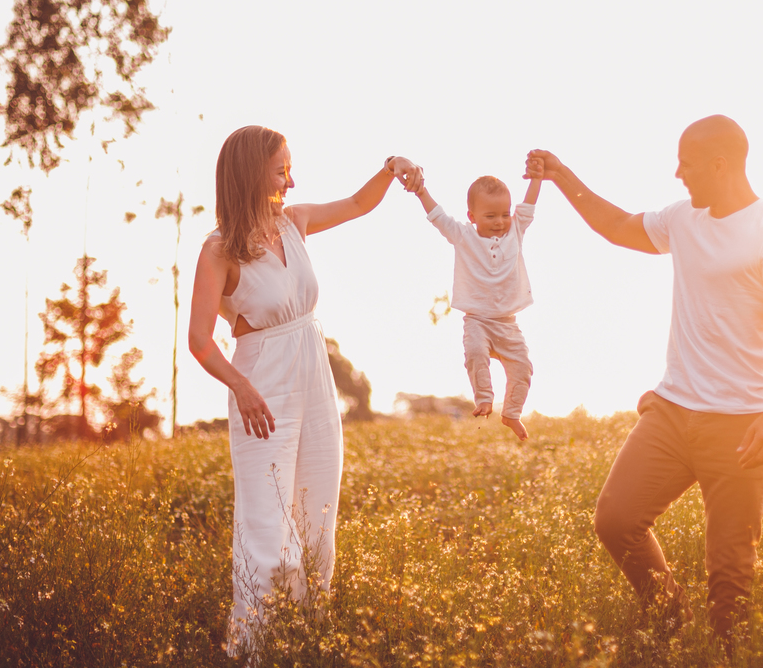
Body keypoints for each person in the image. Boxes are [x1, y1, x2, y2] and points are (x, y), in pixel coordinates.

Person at [528, 115, 763, 651]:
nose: (677, 173)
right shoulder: (684, 220)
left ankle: (724, 654)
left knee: (730, 580)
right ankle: (673, 621)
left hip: (740, 424)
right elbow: (615, 226)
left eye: (686, 162)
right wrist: (560, 175)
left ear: (719, 164)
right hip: (672, 411)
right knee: (616, 520)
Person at [188, 125, 421, 654]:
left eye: (289, 169)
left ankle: (308, 637)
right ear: (251, 175)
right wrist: (241, 387)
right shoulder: (219, 250)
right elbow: (199, 340)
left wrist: (392, 169)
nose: (291, 181)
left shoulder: (295, 222)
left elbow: (360, 203)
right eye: (280, 170)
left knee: (317, 515)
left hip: (314, 378)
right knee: (266, 524)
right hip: (262, 385)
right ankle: (251, 649)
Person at [412, 165, 543, 441]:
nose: (500, 221)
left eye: (505, 214)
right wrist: (421, 191)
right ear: (472, 216)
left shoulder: (515, 231)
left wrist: (537, 178)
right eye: (491, 215)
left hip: (508, 323)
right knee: (474, 352)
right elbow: (437, 217)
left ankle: (511, 413)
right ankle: (484, 398)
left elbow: (529, 205)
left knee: (523, 368)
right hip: (478, 320)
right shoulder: (463, 235)